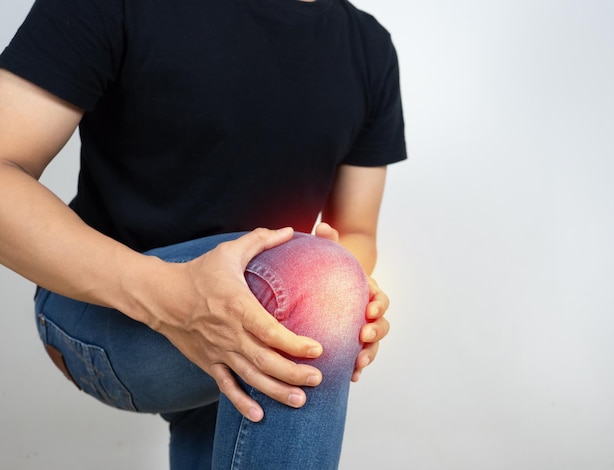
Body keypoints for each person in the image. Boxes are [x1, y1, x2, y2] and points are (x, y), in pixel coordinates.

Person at [0, 0, 406, 468]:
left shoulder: (369, 47)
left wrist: (348, 299)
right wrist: (174, 297)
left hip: (258, 307)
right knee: (312, 284)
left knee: (323, 288)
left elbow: (354, 230)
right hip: (98, 306)